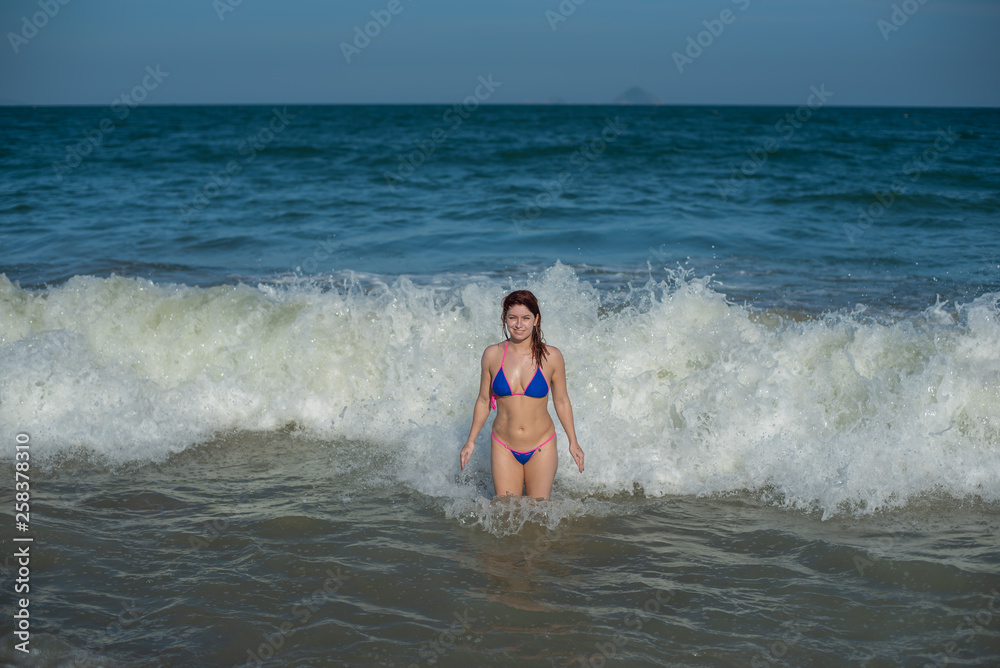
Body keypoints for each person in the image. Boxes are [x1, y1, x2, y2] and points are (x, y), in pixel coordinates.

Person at [459, 290, 584, 499]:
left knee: (539, 513)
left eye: (526, 318)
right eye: (513, 318)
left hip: (541, 444)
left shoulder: (552, 357)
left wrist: (573, 442)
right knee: (506, 513)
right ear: (504, 319)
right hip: (503, 445)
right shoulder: (492, 355)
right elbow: (483, 400)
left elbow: (561, 401)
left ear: (536, 320)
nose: (519, 324)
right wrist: (470, 441)